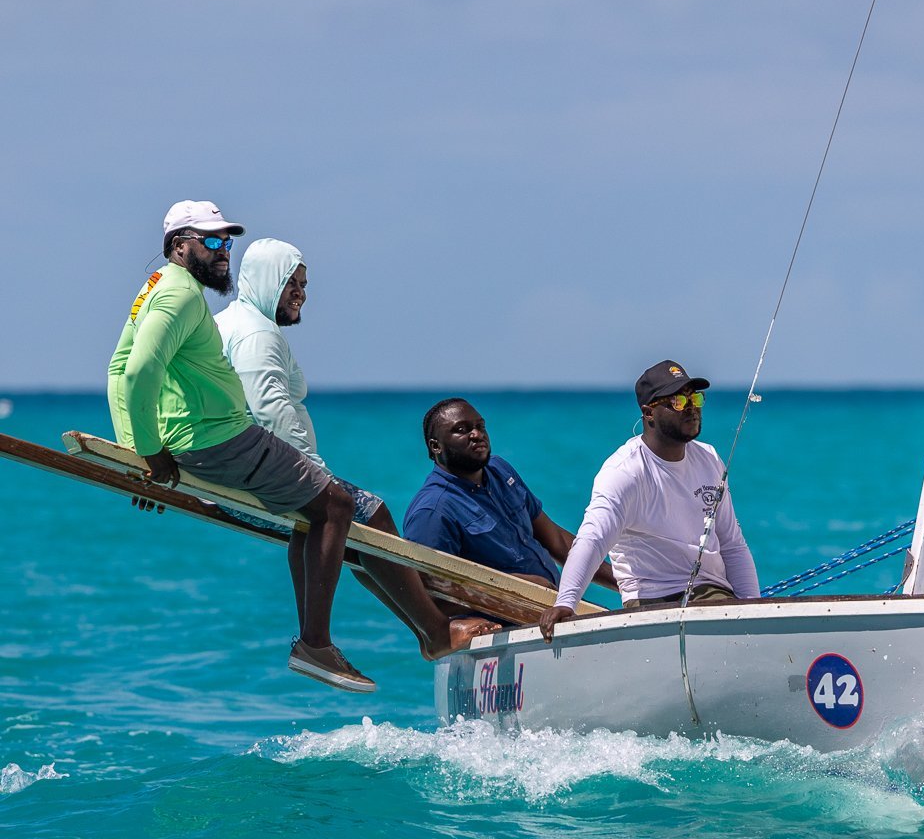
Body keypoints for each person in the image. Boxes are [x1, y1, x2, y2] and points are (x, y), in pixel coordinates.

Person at [107, 201, 494, 695]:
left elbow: (120, 368)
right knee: (349, 508)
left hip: (205, 446)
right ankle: (372, 637)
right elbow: (268, 411)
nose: (223, 250)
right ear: (179, 245)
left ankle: (425, 629)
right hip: (220, 444)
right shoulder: (247, 330)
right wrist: (147, 451)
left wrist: (136, 452)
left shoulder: (172, 294)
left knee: (336, 517)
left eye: (227, 242)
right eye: (211, 241)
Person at [213, 237, 498, 659]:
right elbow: (270, 409)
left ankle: (427, 629)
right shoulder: (256, 335)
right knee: (368, 512)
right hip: (257, 472)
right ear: (266, 279)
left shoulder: (231, 322)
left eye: (304, 285)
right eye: (291, 282)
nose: (300, 294)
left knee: (354, 532)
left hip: (238, 466)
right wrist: (313, 473)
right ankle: (431, 631)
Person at [538, 361, 759, 640]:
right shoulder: (625, 473)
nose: (691, 406)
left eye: (695, 397)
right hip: (653, 600)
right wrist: (565, 602)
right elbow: (592, 540)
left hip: (712, 592)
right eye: (678, 400)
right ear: (649, 413)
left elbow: (732, 544)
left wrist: (752, 607)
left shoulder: (709, 459)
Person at [405, 398, 615, 612]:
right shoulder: (433, 510)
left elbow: (557, 542)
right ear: (435, 445)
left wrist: (625, 581)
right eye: (462, 430)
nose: (477, 435)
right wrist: (516, 589)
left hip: (555, 608)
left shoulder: (500, 471)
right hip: (510, 629)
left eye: (480, 426)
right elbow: (429, 595)